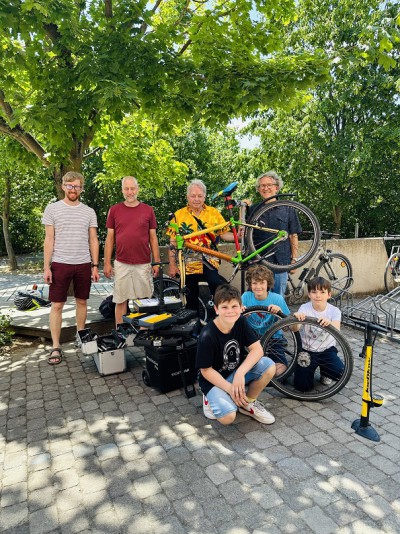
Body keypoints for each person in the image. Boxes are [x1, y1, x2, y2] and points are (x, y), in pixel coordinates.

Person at [196, 284, 276, 425]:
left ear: (240, 307)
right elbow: (206, 370)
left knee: (269, 365)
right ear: (216, 309)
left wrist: (240, 373)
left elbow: (257, 349)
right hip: (214, 380)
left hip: (234, 373)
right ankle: (209, 397)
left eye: (234, 307)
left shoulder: (240, 321)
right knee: (228, 418)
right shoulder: (207, 335)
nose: (230, 312)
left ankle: (248, 404)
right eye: (224, 307)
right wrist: (230, 389)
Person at [42, 171, 100, 365]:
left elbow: (93, 239)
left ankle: (81, 337)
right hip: (59, 263)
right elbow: (49, 239)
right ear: (63, 186)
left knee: (82, 302)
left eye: (77, 186)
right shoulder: (52, 209)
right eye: (70, 186)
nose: (73, 189)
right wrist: (46, 267)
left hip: (83, 263)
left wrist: (95, 265)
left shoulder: (89, 211)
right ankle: (56, 346)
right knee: (57, 305)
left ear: (81, 189)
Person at [167, 179, 237, 312]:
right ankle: (193, 326)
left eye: (200, 196)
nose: (196, 199)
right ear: (187, 197)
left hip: (209, 258)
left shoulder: (213, 212)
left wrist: (237, 237)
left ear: (204, 196)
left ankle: (218, 318)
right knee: (189, 294)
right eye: (193, 196)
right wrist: (172, 264)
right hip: (187, 261)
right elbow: (173, 241)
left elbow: (224, 234)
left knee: (216, 285)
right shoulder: (178, 215)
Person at [104, 176, 161, 325]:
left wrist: (156, 262)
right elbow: (110, 238)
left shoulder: (148, 210)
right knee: (120, 300)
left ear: (138, 189)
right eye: (126, 189)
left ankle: (144, 335)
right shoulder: (114, 210)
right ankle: (121, 335)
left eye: (132, 188)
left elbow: (153, 238)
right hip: (121, 263)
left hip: (143, 263)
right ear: (122, 190)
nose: (130, 192)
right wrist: (107, 263)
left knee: (144, 301)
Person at [247, 171, 301, 297]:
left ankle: (278, 318)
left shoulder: (288, 208)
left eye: (269, 185)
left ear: (277, 187)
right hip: (258, 262)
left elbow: (293, 235)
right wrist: (243, 208)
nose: (266, 188)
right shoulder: (253, 209)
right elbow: (243, 233)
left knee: (278, 298)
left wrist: (294, 260)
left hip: (281, 262)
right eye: (262, 186)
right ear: (258, 189)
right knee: (258, 298)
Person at [293, 276, 344, 391]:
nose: (318, 295)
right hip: (307, 350)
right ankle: (307, 372)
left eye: (322, 292)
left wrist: (329, 323)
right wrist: (296, 319)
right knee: (302, 387)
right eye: (314, 292)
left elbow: (337, 329)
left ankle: (325, 372)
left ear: (329, 294)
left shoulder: (334, 311)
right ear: (309, 294)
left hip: (327, 350)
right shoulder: (304, 308)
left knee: (339, 373)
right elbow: (295, 329)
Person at [242, 264, 290, 376]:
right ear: (250, 284)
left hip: (273, 337)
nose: (258, 287)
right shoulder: (245, 297)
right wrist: (241, 316)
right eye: (254, 283)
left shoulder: (277, 299)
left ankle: (263, 373)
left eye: (262, 282)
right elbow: (235, 323)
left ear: (268, 283)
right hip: (251, 337)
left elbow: (288, 327)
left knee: (280, 370)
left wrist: (279, 313)